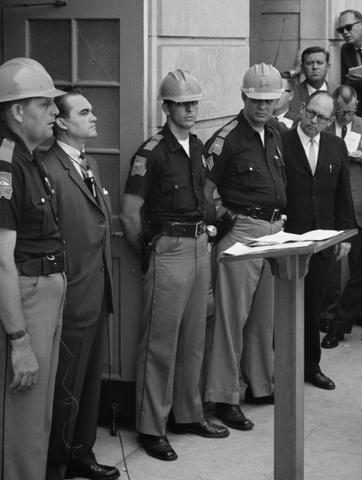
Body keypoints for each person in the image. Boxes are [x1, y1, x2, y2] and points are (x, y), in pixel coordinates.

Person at [120, 70, 229, 462]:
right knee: (159, 344)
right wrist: (153, 254)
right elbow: (130, 215)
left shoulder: (198, 147)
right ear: (166, 107)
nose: (190, 110)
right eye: (182, 104)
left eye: (194, 103)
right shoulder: (151, 152)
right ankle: (152, 426)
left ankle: (188, 414)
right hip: (168, 249)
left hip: (201, 246)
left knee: (194, 338)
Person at [203, 63, 285, 430]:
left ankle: (261, 384)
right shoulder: (227, 138)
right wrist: (222, 220)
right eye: (257, 99)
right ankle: (224, 396)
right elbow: (203, 190)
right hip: (241, 230)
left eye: (270, 99)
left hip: (273, 229)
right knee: (231, 318)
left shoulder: (275, 133)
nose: (264, 106)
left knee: (263, 316)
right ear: (243, 97)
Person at [43, 89, 119, 480]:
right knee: (64, 385)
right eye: (84, 112)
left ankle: (80, 454)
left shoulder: (88, 163)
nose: (93, 117)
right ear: (60, 121)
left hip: (96, 291)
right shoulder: (48, 168)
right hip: (70, 294)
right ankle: (57, 462)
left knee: (89, 383)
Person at [0, 58, 67, 479]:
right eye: (46, 104)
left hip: (47, 291)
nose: (56, 112)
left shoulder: (31, 157)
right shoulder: (7, 163)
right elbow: (0, 260)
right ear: (18, 111)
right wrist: (19, 339)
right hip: (26, 294)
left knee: (41, 409)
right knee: (23, 416)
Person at [282, 91, 353, 389]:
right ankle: (280, 367)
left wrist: (344, 235)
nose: (314, 121)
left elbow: (342, 192)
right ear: (301, 109)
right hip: (287, 237)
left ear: (330, 121)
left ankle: (311, 366)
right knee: (283, 304)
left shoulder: (336, 146)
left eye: (322, 118)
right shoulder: (281, 142)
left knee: (313, 304)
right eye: (310, 113)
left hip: (322, 239)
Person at [321, 85, 362, 348]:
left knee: (361, 267)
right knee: (336, 269)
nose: (345, 117)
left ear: (357, 106)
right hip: (334, 206)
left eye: (350, 112)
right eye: (340, 112)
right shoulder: (325, 126)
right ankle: (331, 316)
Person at [289, 46, 338, 115]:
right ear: (302, 68)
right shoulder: (292, 96)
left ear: (328, 67)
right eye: (309, 63)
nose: (315, 67)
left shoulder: (338, 92)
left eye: (319, 63)